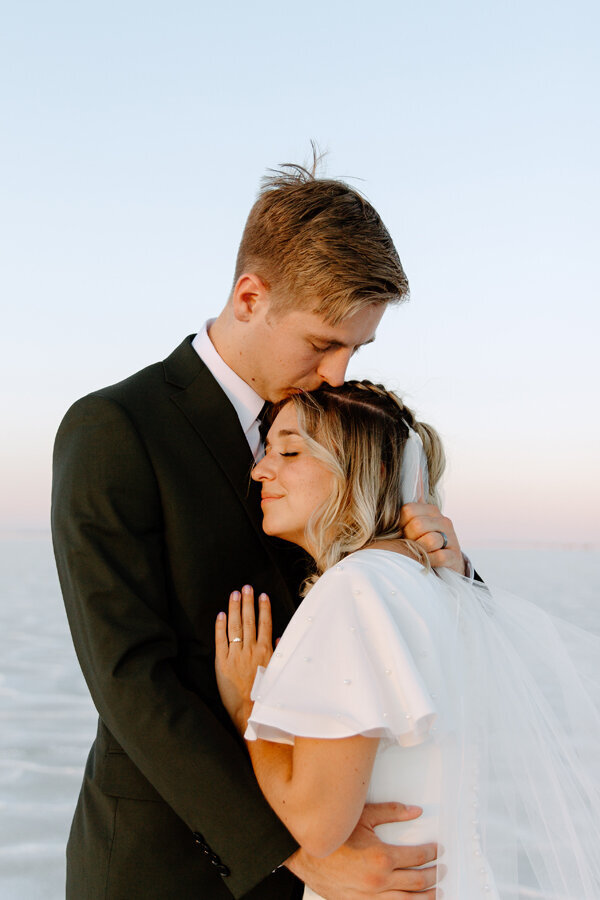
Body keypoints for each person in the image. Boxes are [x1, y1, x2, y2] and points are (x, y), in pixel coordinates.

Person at [52, 159, 469, 899]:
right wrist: (301, 856)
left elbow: (407, 623)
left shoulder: (349, 428)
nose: (339, 373)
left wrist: (452, 570)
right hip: (167, 864)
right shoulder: (116, 429)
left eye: (356, 349)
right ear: (250, 296)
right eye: (321, 343)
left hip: (342, 847)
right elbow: (131, 683)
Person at [215, 381, 600, 900]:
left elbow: (317, 824)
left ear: (361, 473)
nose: (260, 468)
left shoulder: (354, 589)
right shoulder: (438, 582)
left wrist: (246, 708)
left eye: (289, 451)